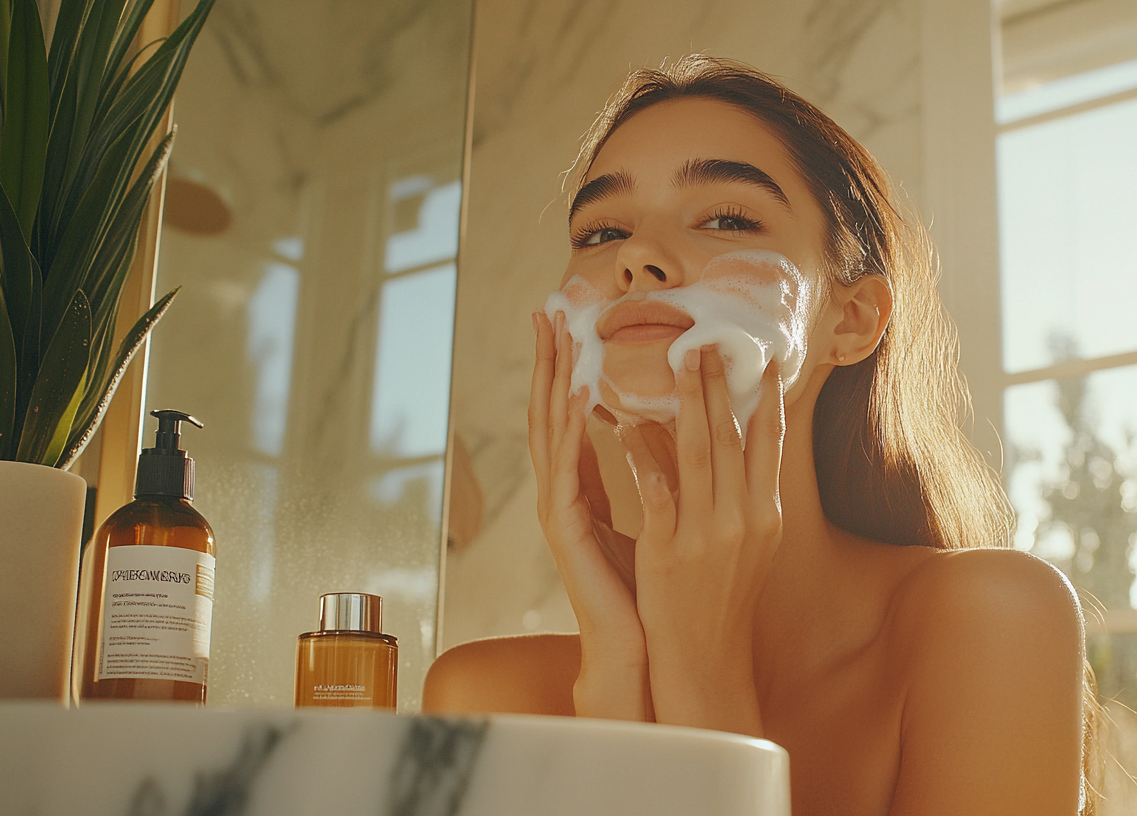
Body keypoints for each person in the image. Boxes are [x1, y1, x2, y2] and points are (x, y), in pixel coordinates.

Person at [424, 56, 1094, 816]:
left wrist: (699, 677)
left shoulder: (993, 621)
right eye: (601, 231)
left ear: (852, 320)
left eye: (727, 218)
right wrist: (621, 674)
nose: (635, 259)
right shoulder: (485, 697)